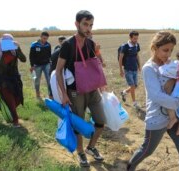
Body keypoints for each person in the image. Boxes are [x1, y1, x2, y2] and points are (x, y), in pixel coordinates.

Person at [127, 31, 179, 171]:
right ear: (154, 48)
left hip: (176, 117)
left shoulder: (172, 65)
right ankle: (130, 167)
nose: (168, 54)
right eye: (165, 50)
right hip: (157, 118)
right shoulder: (149, 69)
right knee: (146, 151)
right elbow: (157, 96)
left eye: (171, 50)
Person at [55, 10, 105, 167]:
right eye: (85, 24)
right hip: (76, 92)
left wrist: (101, 85)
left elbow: (96, 66)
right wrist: (64, 94)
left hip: (92, 89)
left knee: (101, 121)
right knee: (78, 124)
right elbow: (58, 71)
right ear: (77, 24)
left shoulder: (90, 44)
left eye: (91, 25)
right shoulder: (68, 45)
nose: (88, 28)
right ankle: (81, 152)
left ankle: (91, 147)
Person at [0, 34, 26, 127]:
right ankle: (15, 121)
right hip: (4, 81)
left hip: (15, 79)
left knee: (18, 99)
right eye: (5, 41)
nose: (7, 43)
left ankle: (9, 113)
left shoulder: (14, 51)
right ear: (1, 41)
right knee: (10, 100)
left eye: (9, 41)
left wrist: (18, 48)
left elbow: (24, 59)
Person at [119, 31, 141, 108]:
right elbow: (120, 58)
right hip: (128, 70)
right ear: (130, 37)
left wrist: (139, 66)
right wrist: (121, 70)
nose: (136, 40)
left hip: (135, 68)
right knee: (132, 86)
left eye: (137, 38)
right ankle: (135, 103)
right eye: (134, 38)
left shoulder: (137, 45)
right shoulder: (125, 46)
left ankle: (124, 92)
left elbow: (137, 56)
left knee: (135, 86)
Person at [29, 31, 52, 99]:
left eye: (46, 39)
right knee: (37, 80)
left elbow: (49, 55)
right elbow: (31, 56)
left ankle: (50, 95)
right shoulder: (34, 45)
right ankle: (37, 93)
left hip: (46, 65)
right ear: (41, 36)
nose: (45, 40)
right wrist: (32, 65)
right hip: (37, 66)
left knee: (49, 80)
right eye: (44, 38)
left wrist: (50, 63)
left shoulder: (48, 45)